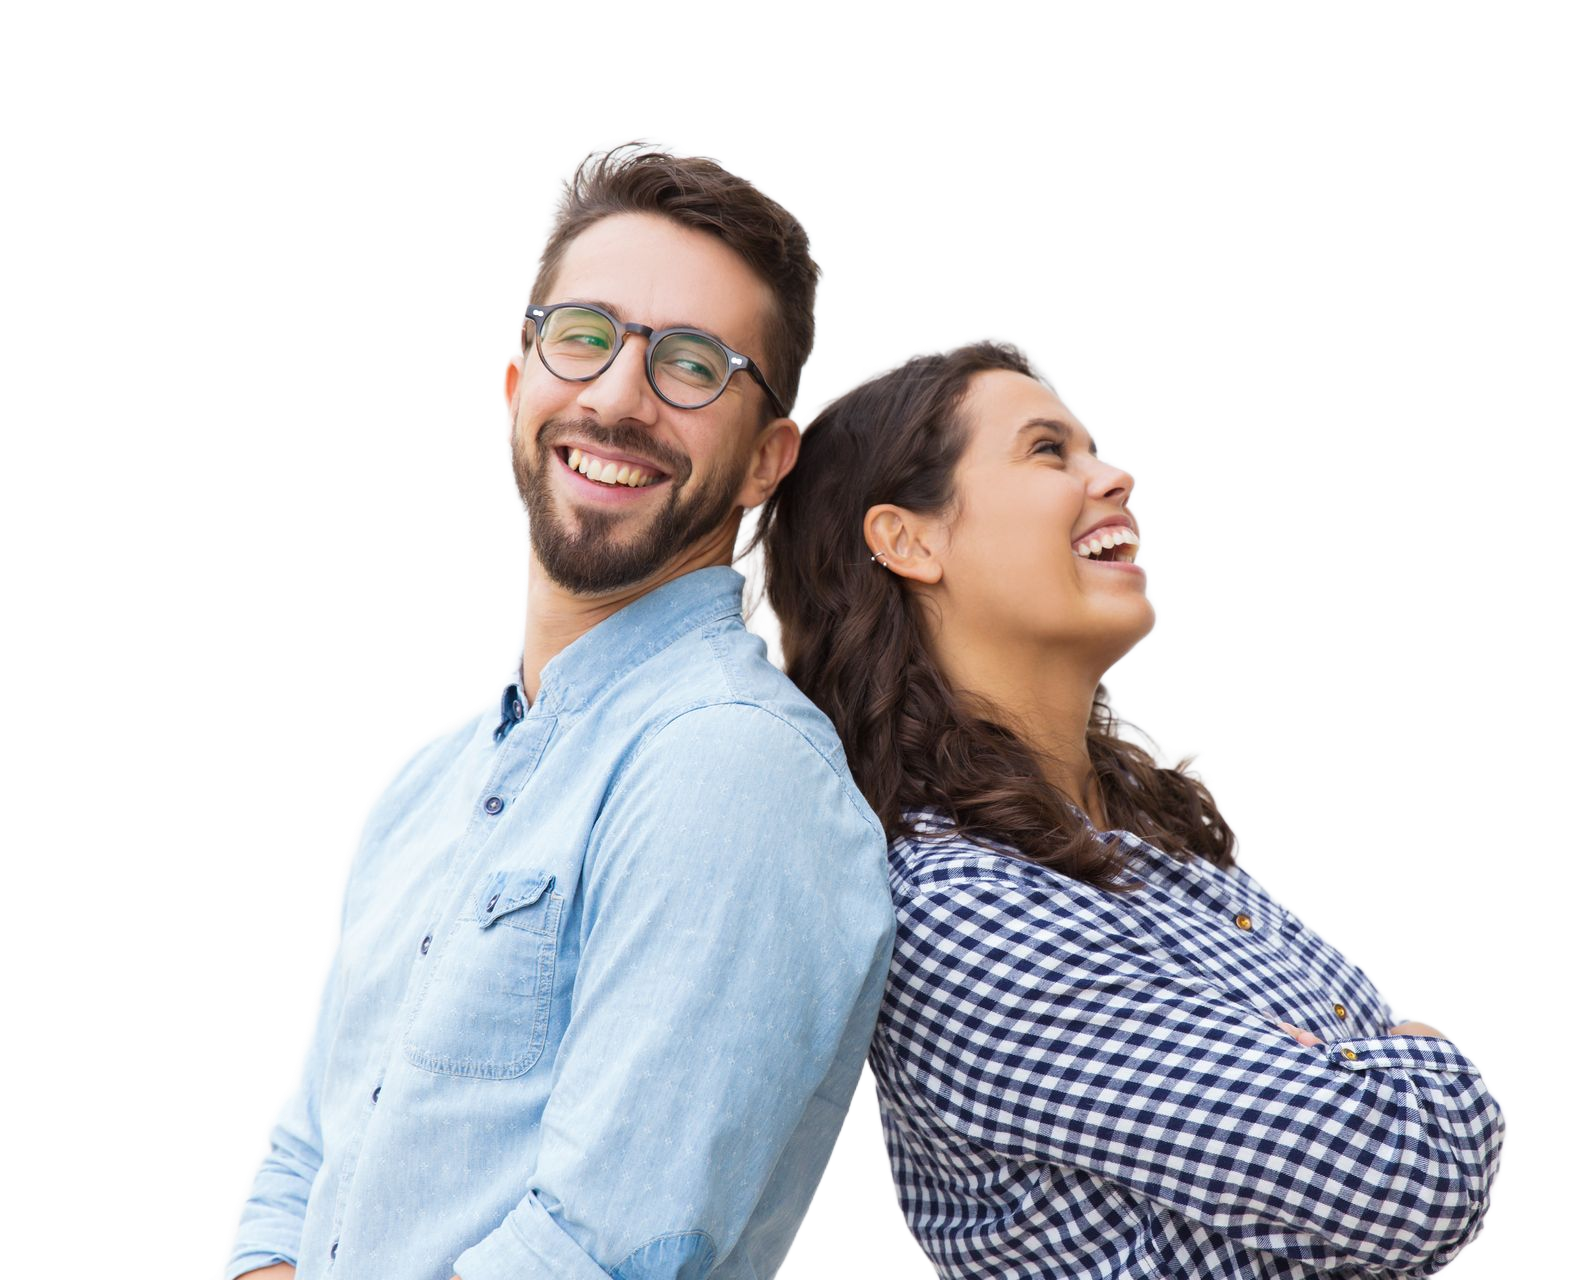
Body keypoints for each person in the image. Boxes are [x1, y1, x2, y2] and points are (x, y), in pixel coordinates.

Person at [213, 135, 895, 1280]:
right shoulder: (420, 782)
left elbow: (602, 1252)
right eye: (584, 337)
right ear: (518, 379)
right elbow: (296, 1170)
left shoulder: (733, 771)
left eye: (693, 364)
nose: (619, 397)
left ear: (770, 456)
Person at [745, 334, 1512, 1278]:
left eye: (1093, 447)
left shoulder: (1152, 841)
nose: (1117, 476)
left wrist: (1371, 1068)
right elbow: (1410, 1176)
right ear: (909, 539)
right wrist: (1397, 1050)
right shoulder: (964, 909)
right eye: (1047, 451)